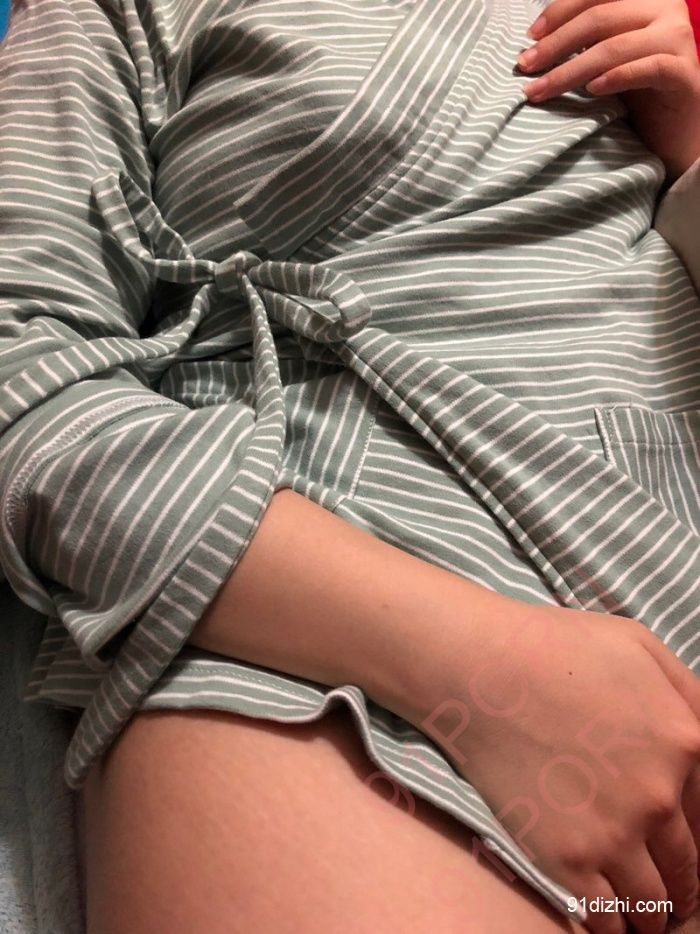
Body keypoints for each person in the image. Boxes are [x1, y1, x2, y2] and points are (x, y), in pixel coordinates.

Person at [1, 0, 699, 931]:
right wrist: (479, 670)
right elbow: (24, 372)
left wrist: (693, 156)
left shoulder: (632, 24)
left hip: (660, 530)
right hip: (324, 592)